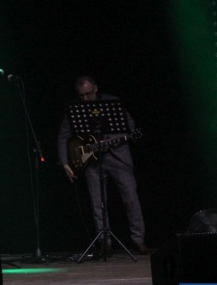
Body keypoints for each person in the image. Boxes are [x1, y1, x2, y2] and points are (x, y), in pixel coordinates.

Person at [57, 75, 149, 255]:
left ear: (96, 88)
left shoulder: (112, 102)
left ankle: (139, 240)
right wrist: (64, 162)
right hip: (92, 161)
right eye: (81, 96)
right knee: (97, 203)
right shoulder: (75, 108)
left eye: (88, 94)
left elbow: (130, 126)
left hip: (118, 158)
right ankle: (104, 242)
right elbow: (63, 135)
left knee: (131, 199)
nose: (85, 99)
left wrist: (110, 140)